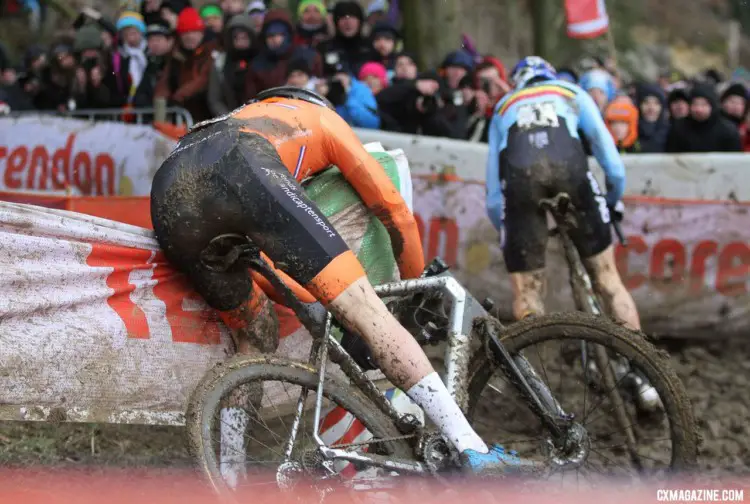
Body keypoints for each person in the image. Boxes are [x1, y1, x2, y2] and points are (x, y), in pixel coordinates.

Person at [151, 86, 530, 474]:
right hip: (242, 166)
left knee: (255, 332)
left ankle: (228, 475)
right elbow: (393, 209)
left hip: (168, 194)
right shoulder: (322, 119)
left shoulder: (239, 117)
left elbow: (270, 275)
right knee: (369, 313)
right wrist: (415, 284)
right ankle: (470, 448)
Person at [485, 56, 639, 334]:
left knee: (528, 294)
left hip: (521, 183)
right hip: (571, 172)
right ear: (551, 75)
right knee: (608, 279)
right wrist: (612, 202)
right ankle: (644, 367)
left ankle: (532, 368)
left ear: (517, 82)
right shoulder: (572, 92)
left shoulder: (503, 106)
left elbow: (494, 198)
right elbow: (613, 165)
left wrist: (509, 228)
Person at [666, 84, 742, 153]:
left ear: (713, 106)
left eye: (704, 104)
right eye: (695, 104)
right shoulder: (679, 128)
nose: (699, 109)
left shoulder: (728, 130)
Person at [635, 83, 669, 153]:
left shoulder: (670, 132)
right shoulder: (631, 131)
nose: (651, 108)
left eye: (656, 103)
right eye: (646, 103)